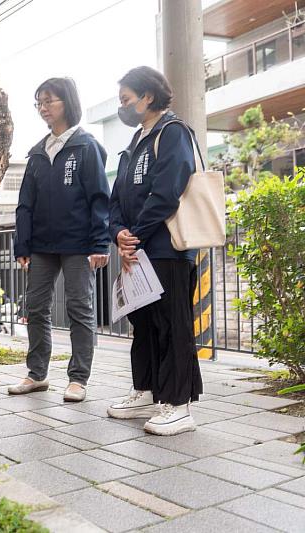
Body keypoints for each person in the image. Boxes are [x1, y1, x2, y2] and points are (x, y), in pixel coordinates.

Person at [106, 66, 203, 436]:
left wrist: (136, 236)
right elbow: (116, 199)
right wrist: (119, 234)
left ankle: (179, 404)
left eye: (126, 100)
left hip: (167, 248)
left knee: (172, 325)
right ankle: (145, 391)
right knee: (143, 324)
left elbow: (167, 191)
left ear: (148, 96)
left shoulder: (173, 132)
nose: (123, 107)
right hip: (140, 247)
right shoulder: (134, 143)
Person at [10, 77, 110, 402]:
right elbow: (25, 203)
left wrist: (99, 243)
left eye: (48, 101)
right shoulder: (37, 153)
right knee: (35, 307)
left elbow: (99, 198)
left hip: (79, 245)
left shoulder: (86, 146)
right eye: (38, 102)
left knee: (80, 307)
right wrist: (22, 244)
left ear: (66, 102)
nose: (43, 108)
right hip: (41, 245)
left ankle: (78, 378)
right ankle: (37, 374)